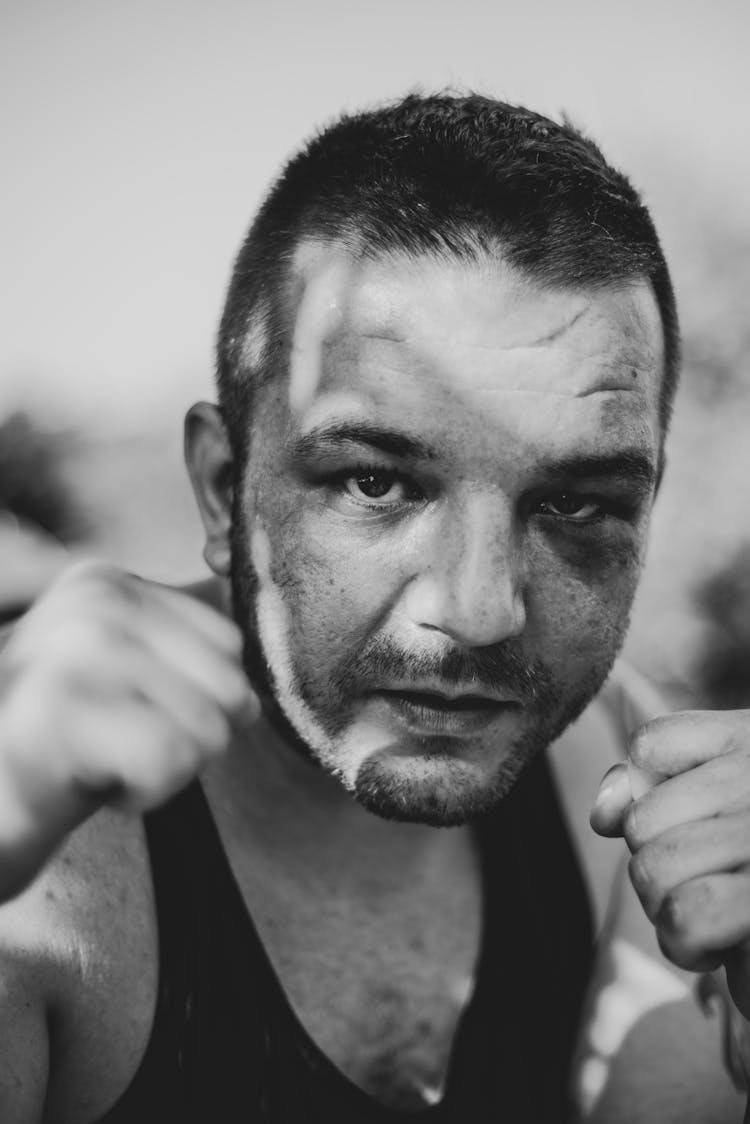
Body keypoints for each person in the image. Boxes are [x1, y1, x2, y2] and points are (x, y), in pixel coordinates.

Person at [0, 92, 749, 1123]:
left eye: (577, 504)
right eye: (376, 482)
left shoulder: (620, 782)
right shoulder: (43, 848)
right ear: (224, 488)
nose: (480, 610)